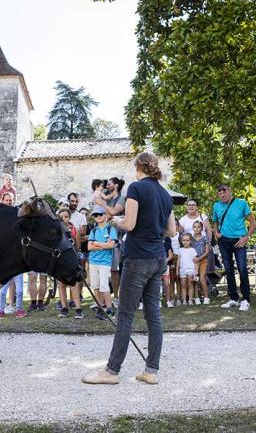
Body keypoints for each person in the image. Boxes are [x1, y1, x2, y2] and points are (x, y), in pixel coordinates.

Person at [82, 152, 175, 386]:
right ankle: (151, 370)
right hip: (158, 257)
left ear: (138, 166)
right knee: (153, 314)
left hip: (138, 257)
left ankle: (112, 371)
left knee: (125, 315)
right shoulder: (165, 194)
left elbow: (129, 223)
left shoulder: (136, 188)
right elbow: (171, 230)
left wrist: (115, 222)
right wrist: (150, 226)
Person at [212, 184, 256, 311]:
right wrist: (216, 232)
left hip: (239, 240)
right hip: (224, 241)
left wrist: (246, 237)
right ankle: (233, 298)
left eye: (224, 191)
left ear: (230, 191)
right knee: (228, 269)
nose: (222, 194)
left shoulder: (242, 203)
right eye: (219, 193)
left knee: (242, 269)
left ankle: (246, 299)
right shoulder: (216, 205)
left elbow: (253, 222)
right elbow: (215, 222)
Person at [94, 177, 126, 305]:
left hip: (117, 239)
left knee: (115, 270)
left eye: (109, 184)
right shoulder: (105, 198)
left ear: (116, 186)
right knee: (101, 269)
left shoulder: (122, 199)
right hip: (103, 237)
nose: (107, 186)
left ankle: (117, 297)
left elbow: (113, 212)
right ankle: (101, 300)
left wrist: (101, 204)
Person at [87, 205, 118, 320]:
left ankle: (109, 308)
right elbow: (89, 247)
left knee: (104, 285)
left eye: (100, 214)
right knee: (95, 285)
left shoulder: (111, 229)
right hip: (93, 261)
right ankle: (100, 308)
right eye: (95, 215)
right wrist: (104, 245)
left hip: (105, 262)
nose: (98, 217)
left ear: (105, 216)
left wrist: (96, 243)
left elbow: (111, 246)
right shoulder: (93, 230)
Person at [56, 207, 83, 319]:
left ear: (69, 217)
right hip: (59, 261)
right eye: (61, 217)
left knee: (74, 284)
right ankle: (64, 307)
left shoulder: (74, 230)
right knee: (61, 285)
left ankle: (78, 308)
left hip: (71, 260)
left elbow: (78, 247)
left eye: (66, 216)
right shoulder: (56, 231)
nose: (63, 219)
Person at [191, 220, 211, 304]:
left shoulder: (205, 238)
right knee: (195, 279)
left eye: (198, 227)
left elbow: (207, 251)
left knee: (202, 279)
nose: (196, 228)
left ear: (202, 228)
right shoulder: (191, 238)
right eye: (194, 227)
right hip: (193, 262)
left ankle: (206, 297)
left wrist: (199, 259)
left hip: (203, 261)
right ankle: (197, 297)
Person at [177, 233, 197, 305]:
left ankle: (190, 300)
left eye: (187, 240)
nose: (185, 242)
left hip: (190, 270)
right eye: (184, 240)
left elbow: (195, 262)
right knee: (183, 285)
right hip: (182, 270)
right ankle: (184, 300)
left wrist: (195, 272)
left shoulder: (192, 250)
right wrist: (177, 270)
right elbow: (178, 261)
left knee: (190, 285)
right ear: (181, 241)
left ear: (190, 241)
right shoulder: (180, 250)